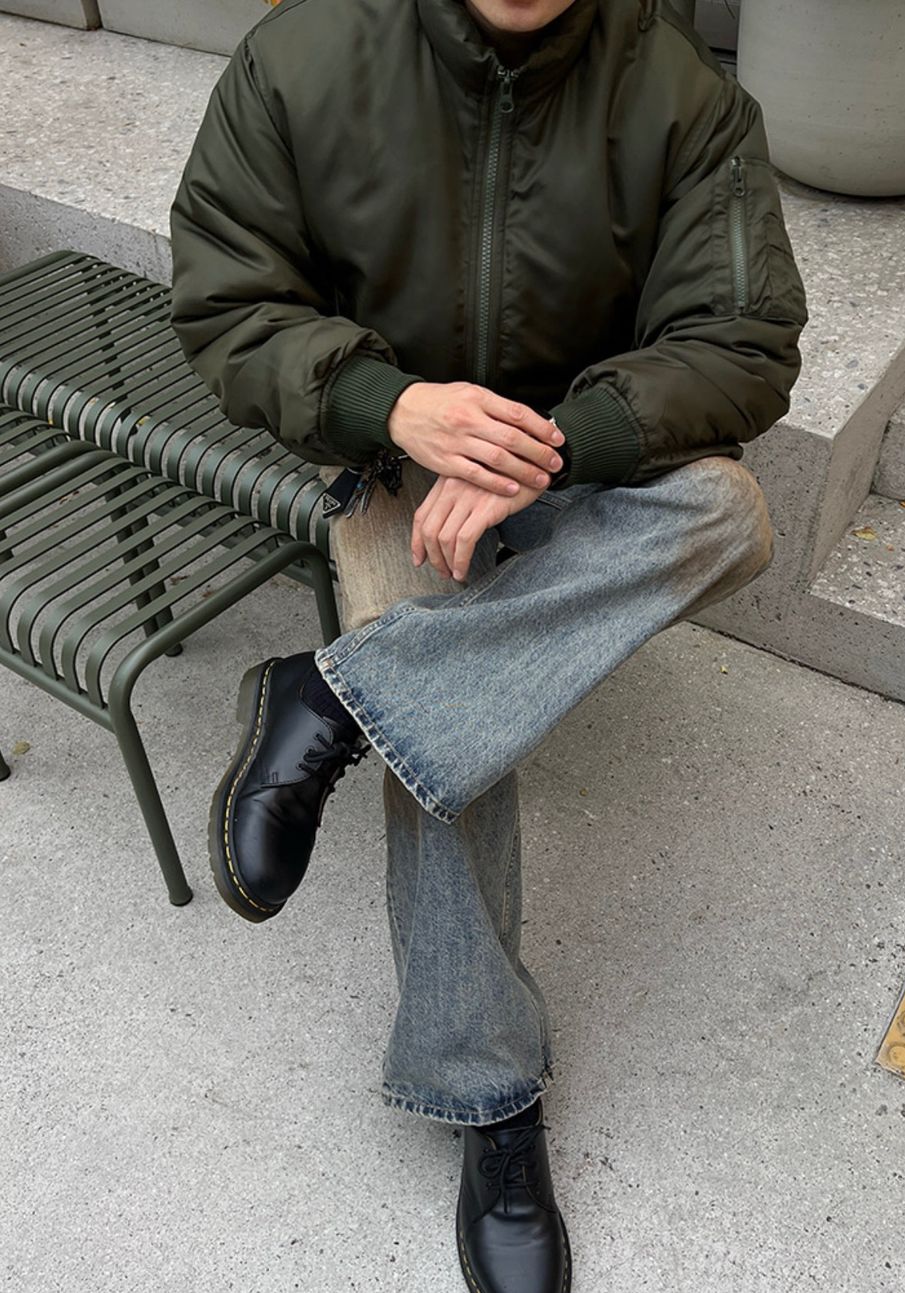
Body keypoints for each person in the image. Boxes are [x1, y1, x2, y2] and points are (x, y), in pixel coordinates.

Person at [168, 0, 808, 1288]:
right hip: (394, 463)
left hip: (589, 454)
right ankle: (490, 1093)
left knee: (728, 513)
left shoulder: (681, 91)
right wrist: (391, 405)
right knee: (442, 723)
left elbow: (743, 343)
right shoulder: (299, 57)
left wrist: (548, 448)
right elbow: (231, 308)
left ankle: (332, 698)